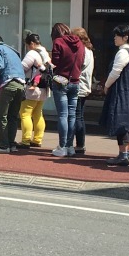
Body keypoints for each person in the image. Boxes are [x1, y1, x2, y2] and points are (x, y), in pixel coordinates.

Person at [100, 24, 129, 166]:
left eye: (117, 35)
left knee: (120, 122)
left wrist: (106, 85)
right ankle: (126, 155)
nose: (114, 38)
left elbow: (115, 72)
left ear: (125, 37)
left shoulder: (122, 53)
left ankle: (123, 155)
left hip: (121, 91)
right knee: (127, 124)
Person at [0, 34, 26, 153]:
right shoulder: (13, 51)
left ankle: (2, 145)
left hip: (9, 83)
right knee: (12, 116)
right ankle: (11, 144)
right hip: (21, 84)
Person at [50, 22, 85, 157]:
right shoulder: (80, 44)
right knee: (72, 116)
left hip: (60, 81)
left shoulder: (58, 42)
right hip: (75, 82)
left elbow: (56, 62)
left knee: (63, 115)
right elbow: (81, 62)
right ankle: (70, 146)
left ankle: (62, 146)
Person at [18, 33, 52, 149]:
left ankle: (26, 140)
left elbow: (22, 68)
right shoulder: (45, 53)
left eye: (28, 45)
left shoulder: (32, 53)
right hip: (44, 88)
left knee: (25, 113)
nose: (27, 48)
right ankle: (37, 139)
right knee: (38, 114)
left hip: (32, 88)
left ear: (32, 43)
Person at [71, 27, 94, 154]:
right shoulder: (89, 50)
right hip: (85, 86)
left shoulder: (82, 50)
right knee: (79, 116)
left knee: (76, 117)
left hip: (79, 86)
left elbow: (77, 66)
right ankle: (80, 144)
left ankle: (79, 145)